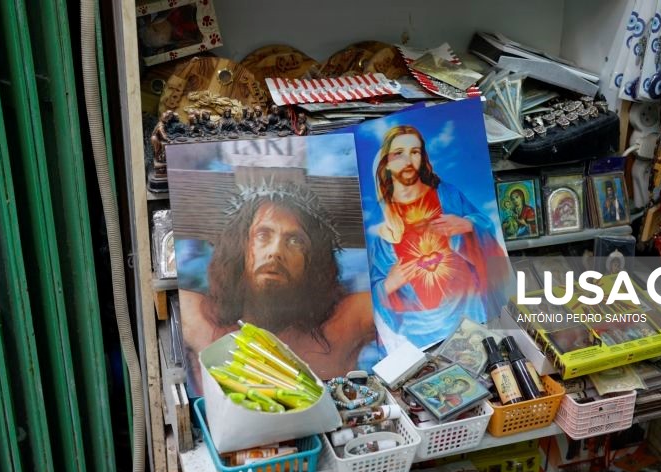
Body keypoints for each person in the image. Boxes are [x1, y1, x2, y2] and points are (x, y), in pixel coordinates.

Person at [180, 182, 375, 381]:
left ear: (315, 261)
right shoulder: (200, 319)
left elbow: (402, 294)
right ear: (241, 249)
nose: (276, 251)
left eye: (295, 241)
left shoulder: (344, 323)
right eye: (263, 235)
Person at [369, 125, 511, 349]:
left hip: (470, 311)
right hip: (418, 332)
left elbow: (487, 228)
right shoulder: (382, 218)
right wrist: (388, 284)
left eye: (415, 152)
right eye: (399, 153)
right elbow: (376, 284)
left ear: (422, 157)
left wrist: (467, 224)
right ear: (386, 161)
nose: (408, 159)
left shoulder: (447, 194)